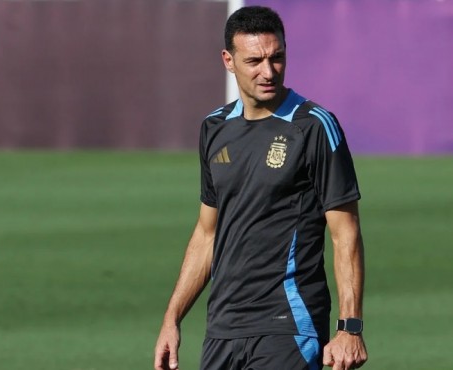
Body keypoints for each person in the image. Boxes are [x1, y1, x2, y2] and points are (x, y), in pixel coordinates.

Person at [154, 6, 367, 370]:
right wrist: (172, 318)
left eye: (277, 58)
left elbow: (344, 234)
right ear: (228, 60)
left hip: (288, 324)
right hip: (223, 327)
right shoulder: (214, 128)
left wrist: (350, 327)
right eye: (254, 60)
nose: (268, 72)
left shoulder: (314, 126)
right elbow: (208, 233)